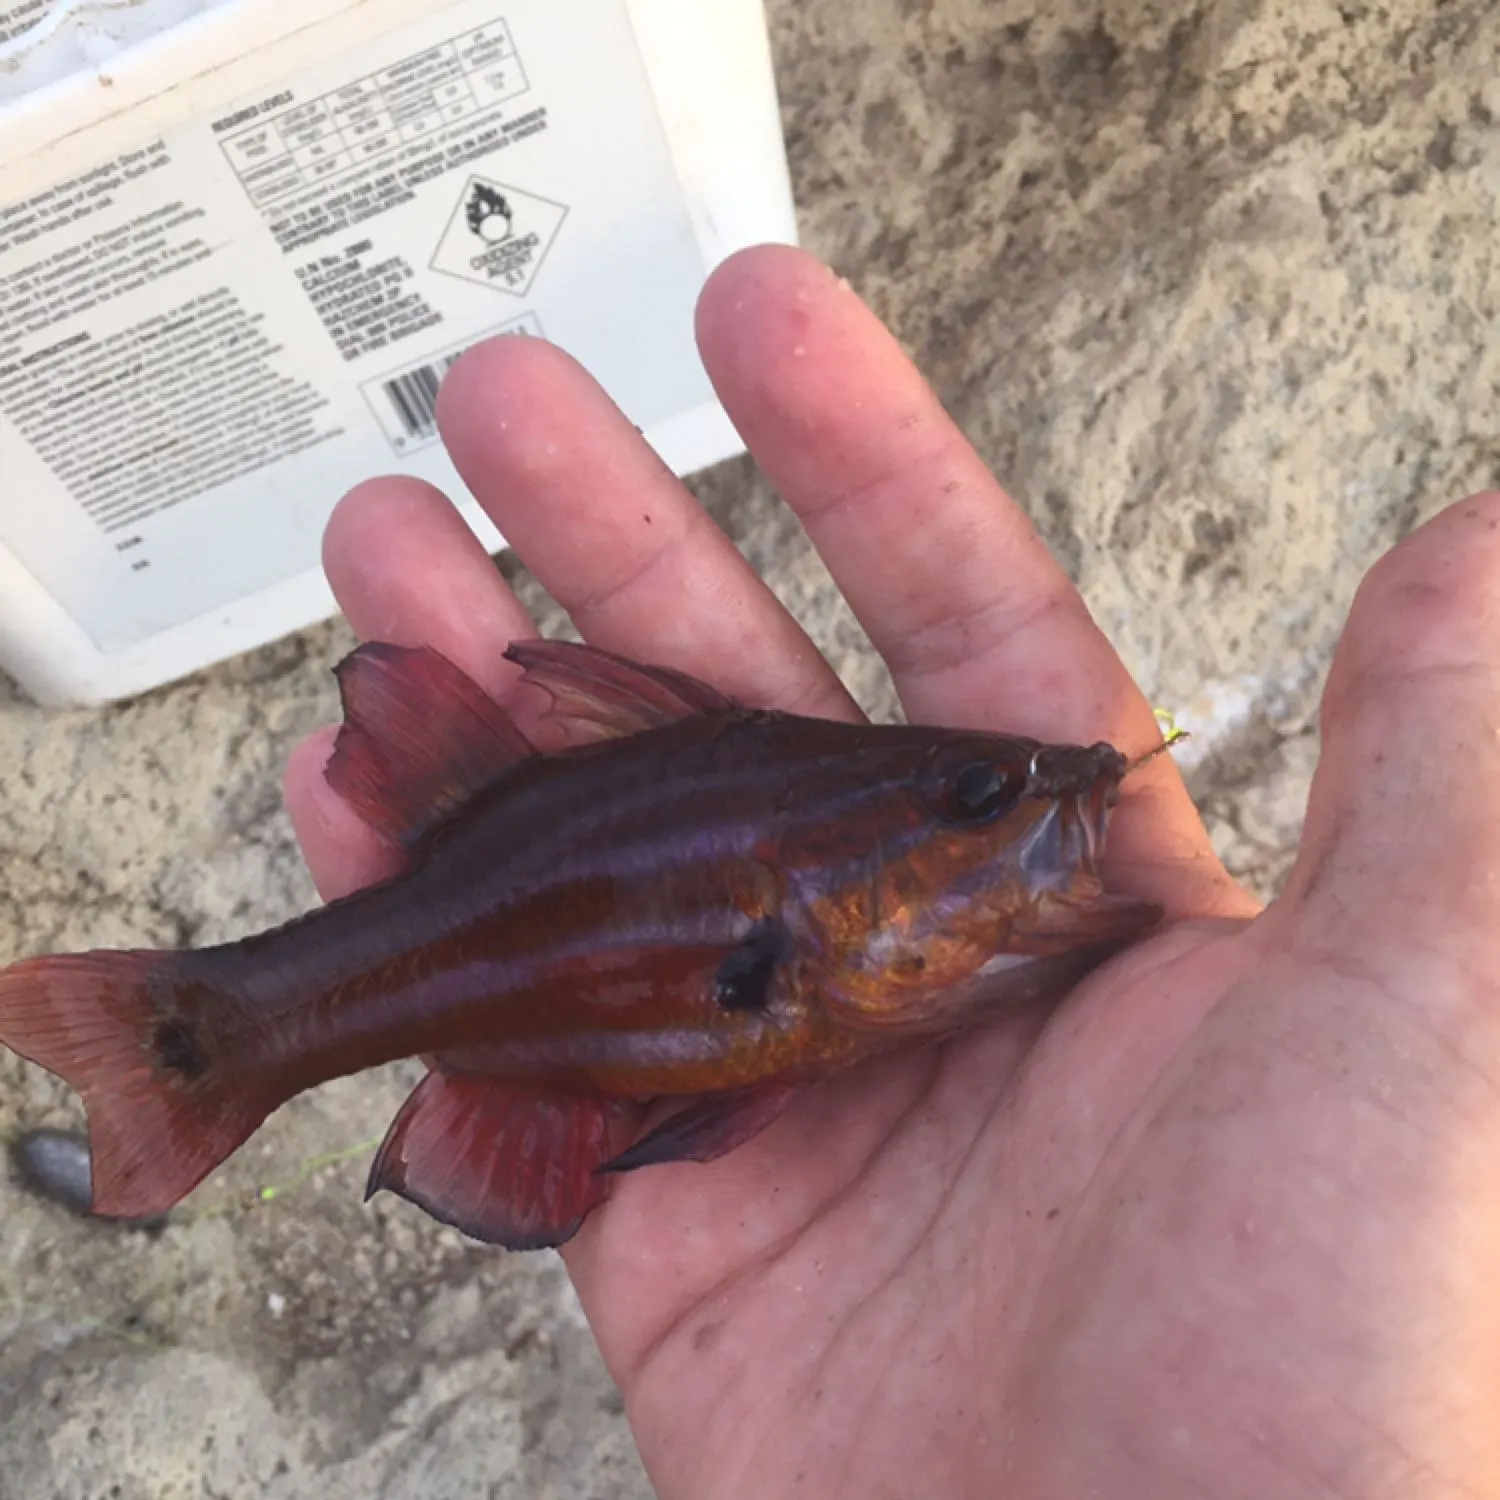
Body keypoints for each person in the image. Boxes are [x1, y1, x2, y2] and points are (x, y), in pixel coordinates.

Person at [282, 245, 1500, 1498]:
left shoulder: (829, 974)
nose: (1060, 792)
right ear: (801, 877)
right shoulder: (799, 965)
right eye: (974, 797)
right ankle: (234, 1035)